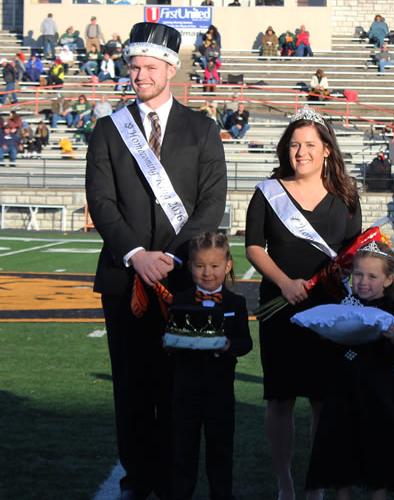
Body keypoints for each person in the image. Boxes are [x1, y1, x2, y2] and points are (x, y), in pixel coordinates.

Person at [85, 22, 227, 499]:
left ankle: (173, 476)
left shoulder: (203, 129)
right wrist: (136, 255)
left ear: (171, 68)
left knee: (178, 388)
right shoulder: (108, 129)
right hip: (124, 279)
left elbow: (211, 204)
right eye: (133, 66)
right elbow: (100, 201)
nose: (138, 75)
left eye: (147, 66)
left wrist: (167, 256)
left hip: (183, 278)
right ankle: (136, 475)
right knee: (130, 386)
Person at [245, 106, 362, 500]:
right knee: (279, 398)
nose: (301, 152)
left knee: (323, 400)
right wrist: (284, 282)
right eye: (295, 144)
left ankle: (316, 484)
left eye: (310, 144)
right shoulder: (267, 191)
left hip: (328, 309)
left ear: (327, 149)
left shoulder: (346, 195)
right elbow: (252, 248)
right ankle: (285, 483)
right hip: (279, 304)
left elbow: (352, 252)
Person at [306, 241, 394, 498]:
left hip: (379, 393)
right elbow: (326, 346)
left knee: (381, 451)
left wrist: (393, 338)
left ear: (388, 280)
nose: (363, 281)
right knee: (341, 451)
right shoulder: (342, 304)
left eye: (372, 276)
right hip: (342, 390)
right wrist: (325, 335)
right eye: (358, 274)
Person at [170, 232, 252, 500]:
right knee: (183, 452)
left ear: (227, 265)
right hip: (184, 392)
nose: (207, 273)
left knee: (220, 453)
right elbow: (168, 338)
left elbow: (245, 343)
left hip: (220, 393)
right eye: (200, 266)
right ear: (190, 266)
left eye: (215, 266)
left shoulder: (236, 303)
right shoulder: (178, 300)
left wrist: (227, 345)